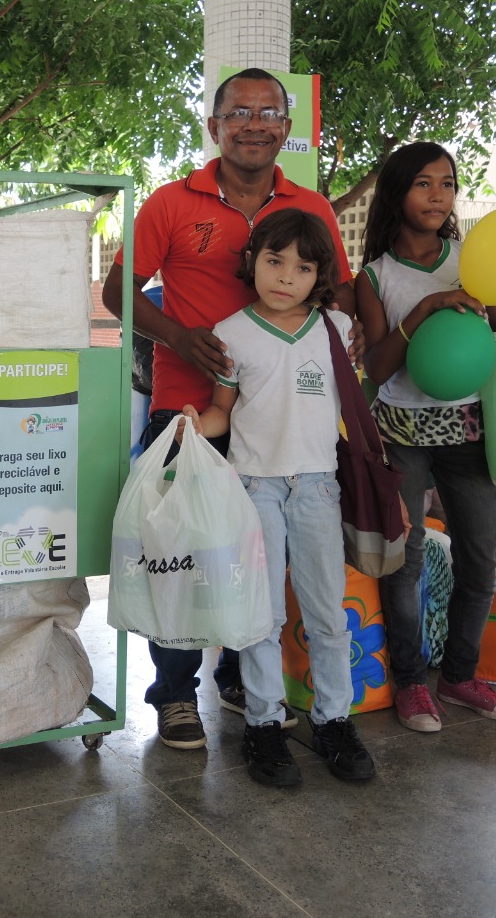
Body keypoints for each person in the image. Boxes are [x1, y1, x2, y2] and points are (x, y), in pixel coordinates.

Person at [102, 67, 354, 750]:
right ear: (214, 126)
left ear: (286, 128)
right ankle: (176, 691)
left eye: (269, 112)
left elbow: (340, 297)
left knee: (254, 560)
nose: (254, 124)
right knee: (184, 554)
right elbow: (118, 291)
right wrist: (179, 337)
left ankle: (244, 680)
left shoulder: (311, 207)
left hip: (276, 425)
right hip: (190, 411)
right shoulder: (171, 203)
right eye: (239, 112)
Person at [178, 209, 374, 786]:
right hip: (254, 488)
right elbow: (222, 410)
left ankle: (334, 721)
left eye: (303, 267)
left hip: (318, 487)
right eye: (274, 261)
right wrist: (196, 422)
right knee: (261, 617)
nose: (286, 276)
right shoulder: (232, 333)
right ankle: (263, 727)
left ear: (319, 277)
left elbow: (356, 417)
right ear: (253, 262)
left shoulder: (336, 332)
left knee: (327, 616)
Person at [355, 141, 496, 733]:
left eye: (448, 184)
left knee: (480, 559)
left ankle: (460, 677)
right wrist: (430, 305)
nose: (439, 195)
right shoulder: (375, 276)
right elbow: (378, 369)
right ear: (397, 193)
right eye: (423, 184)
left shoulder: (471, 261)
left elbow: (488, 330)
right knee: (403, 564)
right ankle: (412, 685)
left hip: (468, 433)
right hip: (400, 435)